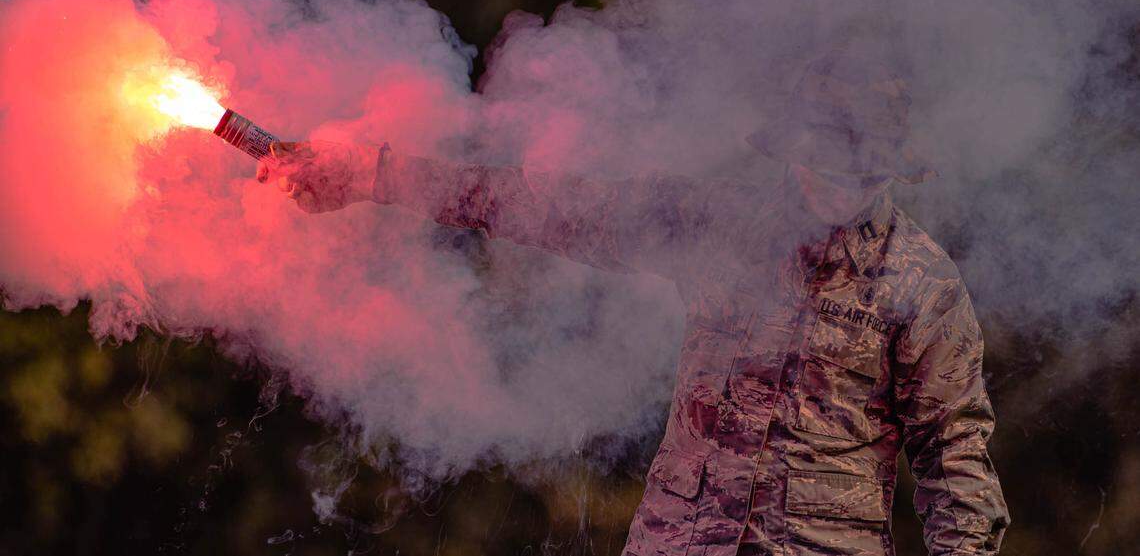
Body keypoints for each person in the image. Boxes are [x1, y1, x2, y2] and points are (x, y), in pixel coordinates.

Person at [257, 40, 1010, 556]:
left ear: (885, 170)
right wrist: (372, 175)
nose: (829, 181)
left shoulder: (924, 284)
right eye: (817, 159)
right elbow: (544, 205)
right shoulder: (720, 222)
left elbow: (955, 458)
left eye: (853, 168)